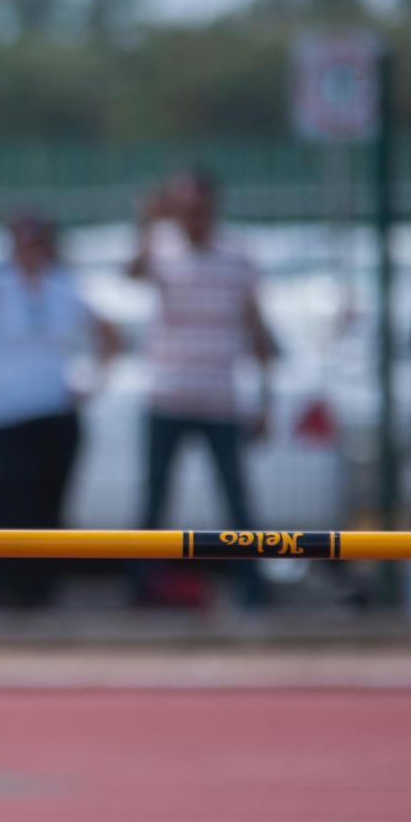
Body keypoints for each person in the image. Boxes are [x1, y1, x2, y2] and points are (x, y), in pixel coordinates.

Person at [0, 217, 122, 606]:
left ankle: (41, 592)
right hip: (9, 417)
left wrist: (93, 382)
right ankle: (13, 591)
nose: (29, 250)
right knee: (13, 507)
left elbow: (111, 335)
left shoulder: (64, 285)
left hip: (56, 414)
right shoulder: (0, 284)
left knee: (50, 507)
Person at [129, 170, 277, 607]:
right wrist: (147, 223)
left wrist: (265, 397)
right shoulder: (161, 247)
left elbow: (255, 326)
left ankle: (252, 592)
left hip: (220, 397)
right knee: (154, 501)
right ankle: (141, 590)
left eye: (198, 209)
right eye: (185, 209)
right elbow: (131, 272)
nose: (192, 218)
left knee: (237, 502)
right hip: (167, 394)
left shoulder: (238, 256)